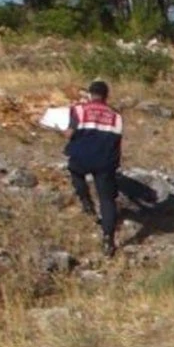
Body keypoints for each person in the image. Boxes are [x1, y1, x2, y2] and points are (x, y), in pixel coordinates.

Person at [63, 80, 123, 256]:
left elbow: (70, 133)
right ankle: (108, 239)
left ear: (90, 94)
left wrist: (60, 131)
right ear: (106, 96)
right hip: (105, 161)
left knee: (75, 172)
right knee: (107, 200)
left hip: (81, 157)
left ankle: (86, 202)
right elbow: (117, 142)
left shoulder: (79, 110)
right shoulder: (116, 116)